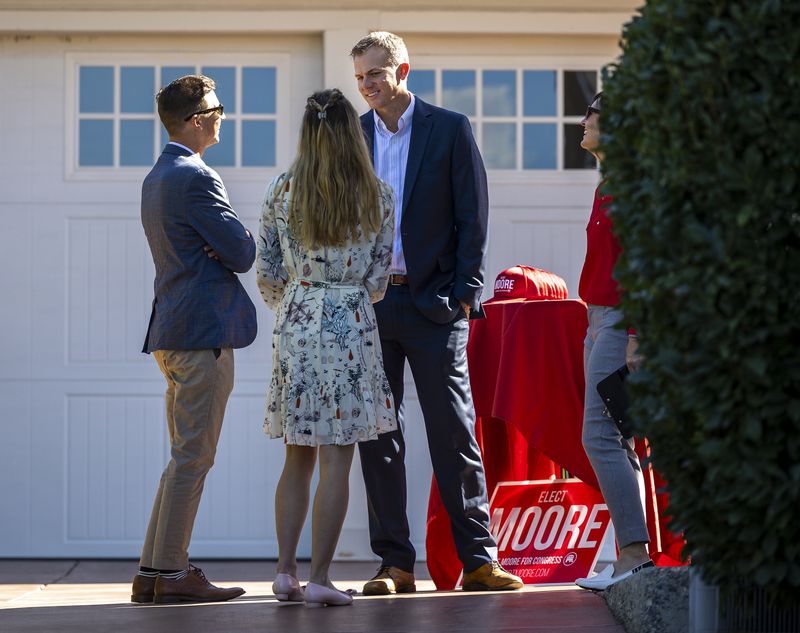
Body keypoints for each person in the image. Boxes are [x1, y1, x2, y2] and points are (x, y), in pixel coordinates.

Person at [350, 31, 522, 594]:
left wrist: (465, 293)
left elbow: (473, 215)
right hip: (374, 304)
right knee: (380, 436)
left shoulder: (449, 128)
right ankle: (395, 565)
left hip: (435, 306)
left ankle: (478, 560)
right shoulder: (354, 135)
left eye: (375, 73)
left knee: (453, 432)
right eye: (360, 77)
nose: (367, 85)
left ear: (403, 70)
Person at [256, 88, 397, 608]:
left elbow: (266, 270)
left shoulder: (281, 189)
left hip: (297, 315)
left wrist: (296, 303)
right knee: (338, 457)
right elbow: (380, 275)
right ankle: (320, 577)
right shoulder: (376, 193)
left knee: (297, 456)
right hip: (350, 319)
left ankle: (285, 572)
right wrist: (348, 297)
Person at [132, 75, 256, 604]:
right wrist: (234, 244)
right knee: (193, 458)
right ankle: (174, 574)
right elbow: (243, 252)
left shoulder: (157, 177)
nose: (221, 115)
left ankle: (152, 574)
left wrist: (221, 248)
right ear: (194, 119)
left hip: (172, 331)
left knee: (182, 456)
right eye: (215, 108)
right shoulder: (196, 178)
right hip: (201, 333)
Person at [573, 92, 654, 591]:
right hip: (598, 319)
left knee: (600, 436)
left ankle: (633, 559)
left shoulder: (635, 189)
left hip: (621, 321)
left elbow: (647, 264)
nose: (583, 122)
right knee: (613, 437)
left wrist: (638, 334)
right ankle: (634, 556)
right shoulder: (607, 187)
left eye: (592, 116)